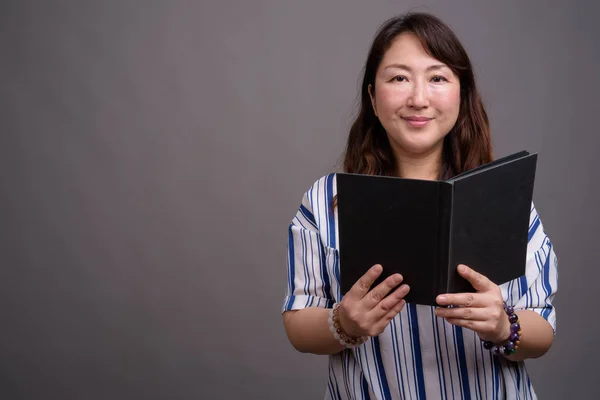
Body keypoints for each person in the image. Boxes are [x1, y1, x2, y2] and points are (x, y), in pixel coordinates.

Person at [281, 11, 558, 400]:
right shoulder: (325, 201)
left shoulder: (504, 200)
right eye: (398, 78)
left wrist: (502, 326)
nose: (418, 98)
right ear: (373, 98)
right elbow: (297, 321)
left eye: (438, 78)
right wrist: (344, 322)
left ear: (461, 94)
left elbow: (543, 329)